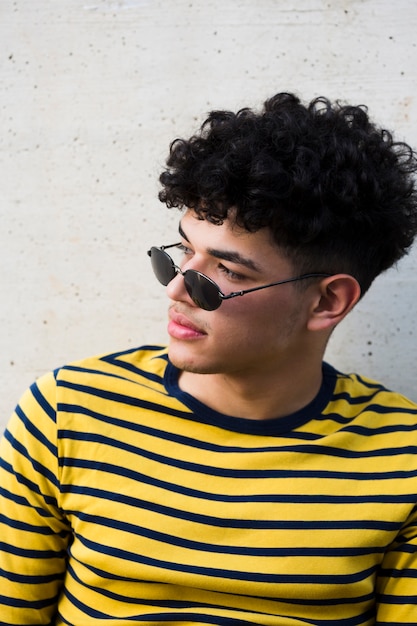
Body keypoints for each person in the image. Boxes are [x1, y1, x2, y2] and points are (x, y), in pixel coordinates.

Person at [1, 92, 417, 626]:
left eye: (227, 273)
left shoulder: (401, 458)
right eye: (182, 252)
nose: (176, 287)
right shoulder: (67, 412)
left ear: (327, 301)